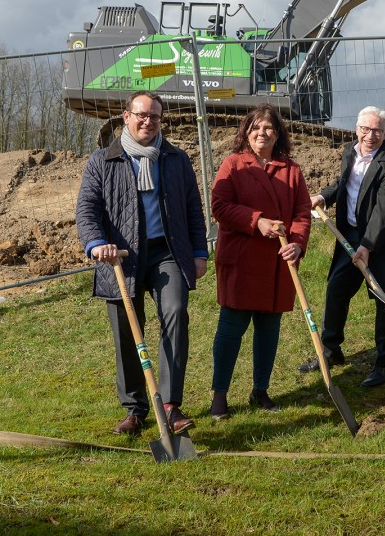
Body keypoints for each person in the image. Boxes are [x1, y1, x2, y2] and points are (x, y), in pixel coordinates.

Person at [76, 91, 208, 436]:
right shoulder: (103, 161)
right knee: (126, 332)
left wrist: (199, 253)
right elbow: (87, 210)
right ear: (126, 116)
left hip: (167, 253)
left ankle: (170, 405)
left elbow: (194, 209)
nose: (148, 121)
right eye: (142, 115)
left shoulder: (176, 159)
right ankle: (135, 409)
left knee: (176, 313)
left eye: (155, 117)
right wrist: (95, 244)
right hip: (121, 258)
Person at [209, 105, 312, 420]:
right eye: (255, 127)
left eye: (268, 128)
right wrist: (258, 222)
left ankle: (261, 390)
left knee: (269, 329)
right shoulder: (233, 164)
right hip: (241, 261)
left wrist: (297, 244)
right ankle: (219, 397)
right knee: (231, 329)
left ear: (278, 133)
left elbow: (302, 213)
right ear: (246, 132)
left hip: (277, 263)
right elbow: (220, 205)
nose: (261, 133)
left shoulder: (291, 170)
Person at [297, 106, 385, 387]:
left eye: (377, 131)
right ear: (356, 128)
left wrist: (368, 245)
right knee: (336, 290)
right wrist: (324, 196)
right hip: (348, 237)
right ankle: (331, 351)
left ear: (384, 134)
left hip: (381, 243)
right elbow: (344, 184)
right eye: (365, 129)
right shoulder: (350, 151)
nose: (369, 136)